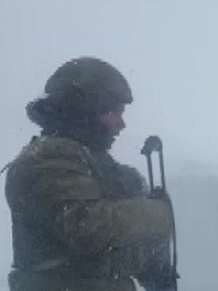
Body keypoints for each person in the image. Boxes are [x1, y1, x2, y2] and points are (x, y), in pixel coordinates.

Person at [5, 57, 175, 291]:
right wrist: (156, 212)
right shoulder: (49, 157)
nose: (121, 123)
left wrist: (149, 264)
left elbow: (99, 257)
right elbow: (87, 228)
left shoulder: (87, 162)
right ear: (84, 109)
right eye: (112, 112)